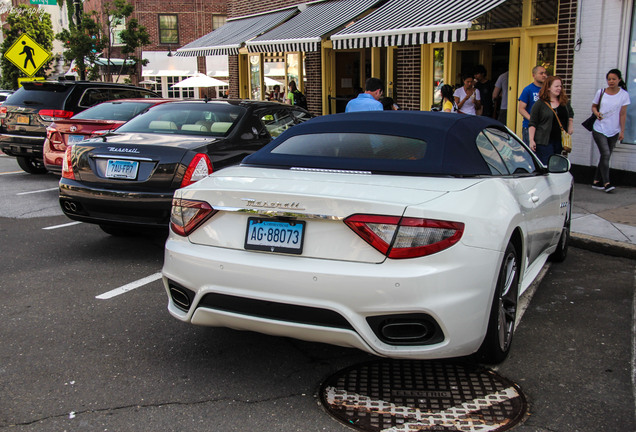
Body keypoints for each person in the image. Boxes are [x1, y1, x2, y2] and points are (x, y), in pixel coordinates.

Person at [590, 69, 631, 193]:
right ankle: (607, 183)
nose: (611, 81)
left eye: (614, 79)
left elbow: (623, 114)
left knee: (605, 155)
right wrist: (597, 113)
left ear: (619, 79)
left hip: (614, 130)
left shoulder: (624, 95)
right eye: (609, 79)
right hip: (599, 128)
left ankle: (596, 181)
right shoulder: (601, 92)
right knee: (606, 154)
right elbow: (593, 106)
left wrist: (622, 131)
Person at [528, 75, 574, 165]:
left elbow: (571, 114)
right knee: (547, 164)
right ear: (548, 88)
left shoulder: (564, 102)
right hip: (544, 141)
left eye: (560, 86)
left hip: (559, 140)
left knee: (555, 164)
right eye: (556, 86)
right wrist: (531, 139)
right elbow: (533, 123)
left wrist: (570, 126)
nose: (559, 88)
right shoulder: (540, 104)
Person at [518, 65, 547, 144]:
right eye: (541, 73)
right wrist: (533, 120)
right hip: (529, 127)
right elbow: (521, 109)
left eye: (545, 73)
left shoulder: (548, 90)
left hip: (544, 129)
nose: (544, 75)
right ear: (534, 75)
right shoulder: (528, 89)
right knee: (530, 154)